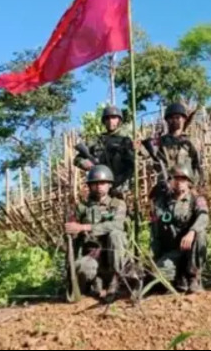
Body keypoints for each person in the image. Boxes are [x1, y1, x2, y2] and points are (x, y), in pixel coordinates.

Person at [65, 165, 128, 301]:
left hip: (114, 255)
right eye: (95, 183)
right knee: (82, 267)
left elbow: (116, 225)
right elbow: (73, 234)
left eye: (103, 183)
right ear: (90, 186)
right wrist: (72, 229)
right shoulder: (82, 208)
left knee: (116, 234)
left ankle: (116, 281)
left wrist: (85, 227)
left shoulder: (118, 204)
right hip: (93, 254)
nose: (99, 186)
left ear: (109, 185)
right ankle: (90, 286)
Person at [150, 164, 209, 294]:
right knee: (159, 275)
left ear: (189, 182)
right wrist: (155, 254)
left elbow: (204, 216)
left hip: (190, 249)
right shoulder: (162, 201)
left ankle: (194, 278)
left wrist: (192, 232)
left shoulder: (196, 199)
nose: (179, 183)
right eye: (175, 179)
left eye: (183, 179)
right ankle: (179, 277)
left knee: (200, 234)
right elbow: (155, 229)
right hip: (172, 250)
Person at [73, 106, 135, 198]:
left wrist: (122, 185)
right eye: (107, 118)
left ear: (119, 120)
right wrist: (84, 163)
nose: (110, 121)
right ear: (104, 121)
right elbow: (76, 159)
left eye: (114, 118)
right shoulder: (96, 141)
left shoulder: (125, 141)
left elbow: (130, 166)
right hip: (99, 186)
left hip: (119, 186)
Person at [145, 102, 203, 195]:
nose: (174, 120)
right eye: (171, 118)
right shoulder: (159, 141)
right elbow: (144, 151)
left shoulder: (191, 142)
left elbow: (198, 166)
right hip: (165, 187)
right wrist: (138, 146)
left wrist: (195, 185)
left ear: (184, 119)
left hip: (186, 187)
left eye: (177, 117)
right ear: (167, 121)